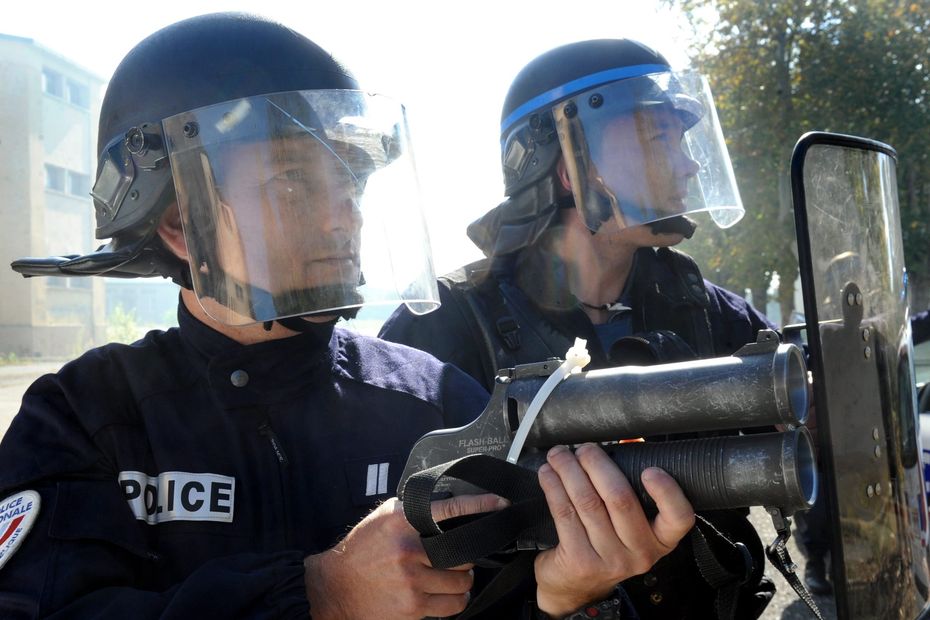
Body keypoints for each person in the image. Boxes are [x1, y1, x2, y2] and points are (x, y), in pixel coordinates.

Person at [0, 14, 696, 619]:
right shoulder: (85, 420)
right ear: (181, 223)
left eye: (350, 181)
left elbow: (510, 601)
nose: (343, 215)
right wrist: (319, 596)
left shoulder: (435, 400)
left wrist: (563, 596)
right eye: (293, 182)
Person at [380, 39, 778, 619]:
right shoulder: (445, 325)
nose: (689, 164)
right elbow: (396, 542)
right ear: (568, 169)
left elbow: (805, 408)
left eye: (683, 140)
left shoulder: (697, 305)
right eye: (656, 140)